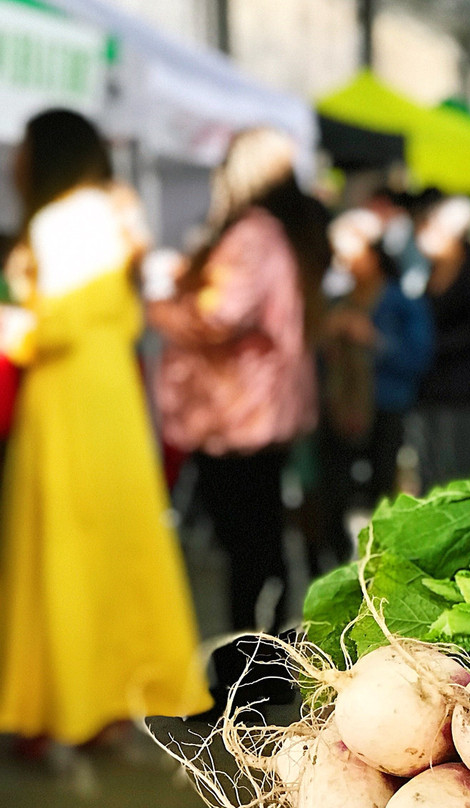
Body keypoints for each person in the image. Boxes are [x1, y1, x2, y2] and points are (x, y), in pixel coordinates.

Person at [0, 109, 211, 750]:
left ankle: (63, 707)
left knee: (61, 549)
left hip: (65, 401)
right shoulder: (113, 213)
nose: (15, 161)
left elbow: (57, 324)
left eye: (24, 149)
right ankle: (111, 699)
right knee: (118, 547)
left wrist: (14, 327)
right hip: (109, 397)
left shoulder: (61, 219)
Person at [148, 128, 329, 635]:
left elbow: (218, 315)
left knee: (244, 549)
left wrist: (160, 306)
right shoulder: (285, 232)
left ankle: (245, 673)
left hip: (237, 415)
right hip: (258, 411)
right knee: (261, 544)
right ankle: (263, 666)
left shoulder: (253, 233)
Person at [316, 208, 434, 565]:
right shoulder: (335, 302)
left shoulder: (400, 301)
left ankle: (385, 561)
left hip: (386, 408)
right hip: (339, 411)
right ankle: (339, 563)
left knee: (384, 488)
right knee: (335, 492)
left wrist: (373, 341)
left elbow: (418, 355)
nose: (347, 264)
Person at [412, 196, 470, 491]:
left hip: (464, 384)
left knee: (459, 462)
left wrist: (437, 346)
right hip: (435, 384)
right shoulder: (432, 271)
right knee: (436, 460)